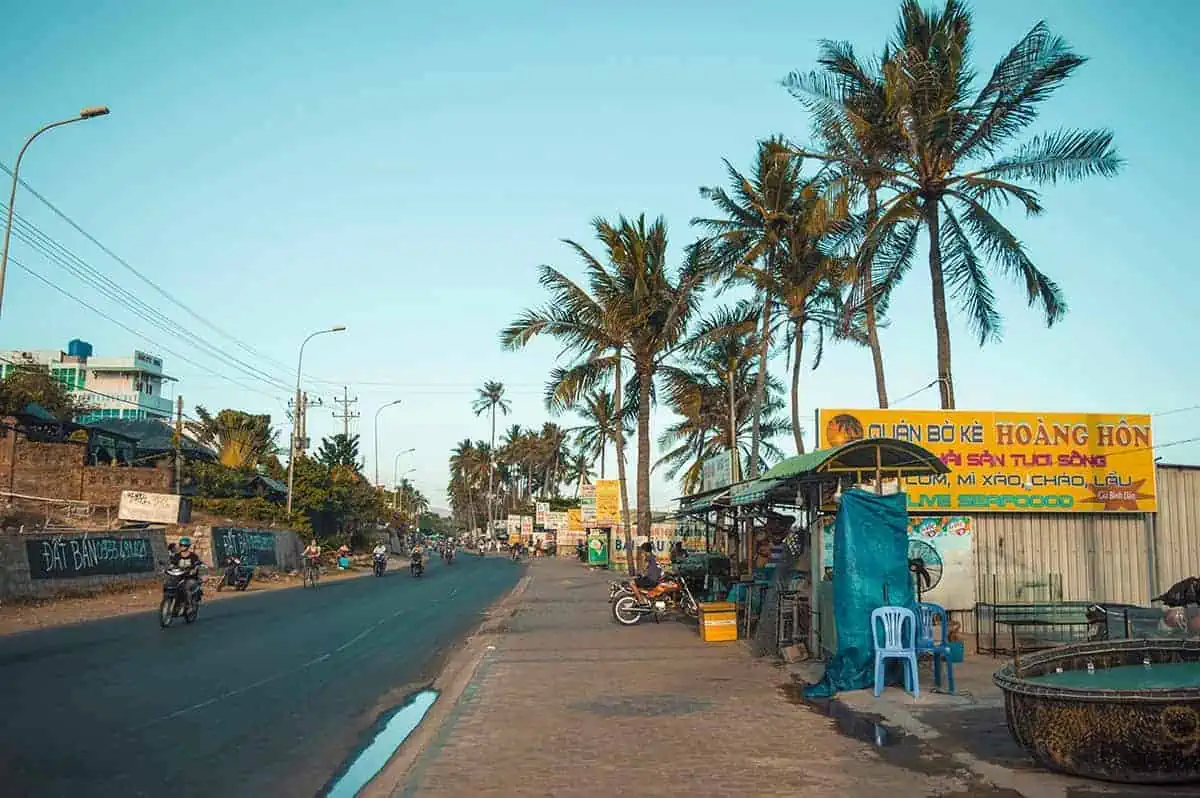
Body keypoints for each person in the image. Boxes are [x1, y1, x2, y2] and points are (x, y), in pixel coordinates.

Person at [170, 537, 204, 606]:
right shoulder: (177, 556)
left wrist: (194, 570)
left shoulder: (193, 556)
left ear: (188, 546)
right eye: (181, 545)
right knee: (170, 585)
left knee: (187, 587)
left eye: (184, 545)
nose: (182, 547)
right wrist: (169, 569)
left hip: (190, 578)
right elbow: (172, 564)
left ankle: (189, 604)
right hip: (179, 576)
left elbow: (197, 564)